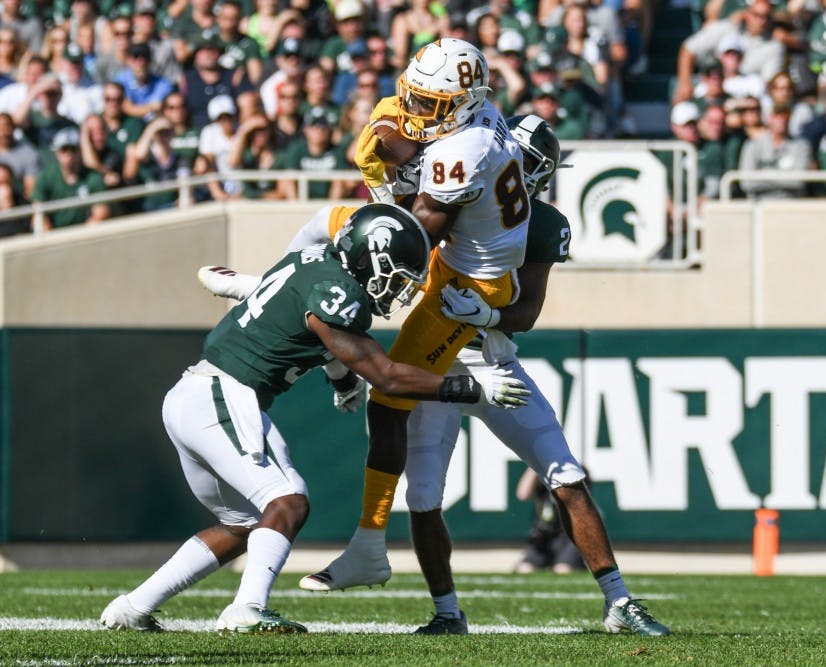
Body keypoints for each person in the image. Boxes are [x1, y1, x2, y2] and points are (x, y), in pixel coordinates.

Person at [200, 114, 670, 637]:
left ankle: (620, 601)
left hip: (492, 358)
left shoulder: (538, 222)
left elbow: (528, 309)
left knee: (564, 474)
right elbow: (371, 235)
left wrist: (487, 315)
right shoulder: (450, 194)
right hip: (435, 362)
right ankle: (445, 611)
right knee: (423, 497)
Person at [100, 202, 529, 634]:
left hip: (194, 396)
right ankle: (246, 608)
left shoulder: (315, 263)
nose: (397, 289)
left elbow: (319, 336)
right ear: (371, 254)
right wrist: (471, 387)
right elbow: (387, 377)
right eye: (397, 275)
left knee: (242, 524)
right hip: (222, 395)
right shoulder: (337, 290)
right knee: (288, 502)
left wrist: (342, 384)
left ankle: (133, 607)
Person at [300, 39, 535, 594]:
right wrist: (388, 151)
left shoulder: (468, 149)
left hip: (468, 280)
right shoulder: (476, 116)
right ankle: (273, 290)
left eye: (431, 105)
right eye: (417, 98)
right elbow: (402, 134)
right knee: (322, 222)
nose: (417, 113)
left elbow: (414, 233)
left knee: (388, 399)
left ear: (463, 104)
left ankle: (368, 545)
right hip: (457, 249)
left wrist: (387, 168)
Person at [31, 126, 109, 230]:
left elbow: (101, 212)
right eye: (64, 150)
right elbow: (38, 213)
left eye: (73, 149)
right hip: (54, 235)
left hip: (86, 234)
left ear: (80, 151)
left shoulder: (93, 177)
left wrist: (81, 235)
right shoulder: (45, 177)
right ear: (57, 153)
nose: (69, 154)